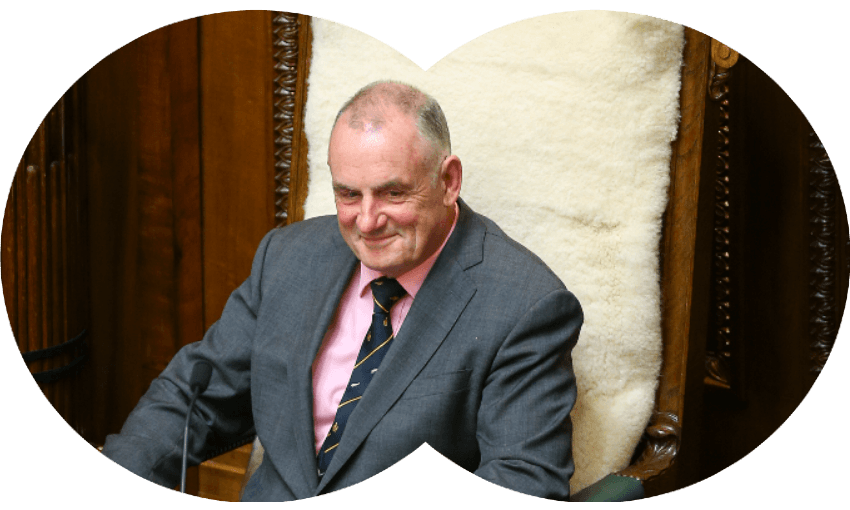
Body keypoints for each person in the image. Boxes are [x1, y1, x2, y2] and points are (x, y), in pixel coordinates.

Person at [102, 81, 582, 501]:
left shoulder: (525, 306)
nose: (367, 222)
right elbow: (196, 397)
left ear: (448, 180)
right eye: (349, 194)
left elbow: (521, 481)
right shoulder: (288, 257)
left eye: (394, 193)